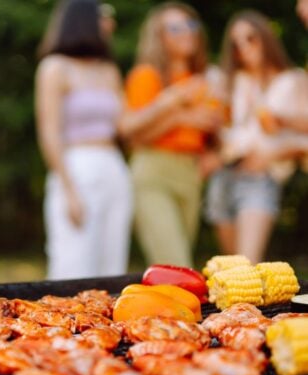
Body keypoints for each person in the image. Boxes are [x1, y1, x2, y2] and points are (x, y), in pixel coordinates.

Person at [119, 2, 223, 268]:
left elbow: (219, 131)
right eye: (175, 27)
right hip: (154, 170)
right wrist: (173, 107)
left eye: (191, 25)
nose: (186, 32)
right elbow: (130, 130)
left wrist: (214, 154)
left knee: (176, 268)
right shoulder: (147, 75)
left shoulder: (205, 80)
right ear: (159, 36)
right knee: (175, 263)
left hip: (190, 174)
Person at [36, 0, 132, 280]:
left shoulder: (108, 70)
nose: (110, 23)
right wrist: (68, 189)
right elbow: (49, 132)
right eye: (105, 16)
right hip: (75, 166)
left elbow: (125, 126)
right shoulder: (55, 68)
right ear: (84, 19)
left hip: (113, 167)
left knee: (112, 264)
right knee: (73, 263)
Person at [206, 10, 308, 264]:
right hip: (225, 177)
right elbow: (224, 132)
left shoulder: (292, 80)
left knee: (246, 264)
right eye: (236, 43)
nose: (243, 47)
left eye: (250, 38)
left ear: (265, 37)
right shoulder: (232, 82)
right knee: (231, 270)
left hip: (260, 179)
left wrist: (274, 150)